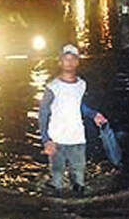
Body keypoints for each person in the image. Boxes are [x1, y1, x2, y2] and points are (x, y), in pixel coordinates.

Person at [38, 44, 108, 194]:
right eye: (66, 59)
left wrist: (93, 114)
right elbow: (43, 113)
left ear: (77, 62)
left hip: (77, 139)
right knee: (57, 184)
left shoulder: (82, 85)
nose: (69, 62)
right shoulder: (52, 87)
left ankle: (79, 212)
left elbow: (79, 105)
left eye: (73, 59)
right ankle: (58, 212)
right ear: (60, 62)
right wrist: (46, 140)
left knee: (80, 184)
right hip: (56, 140)